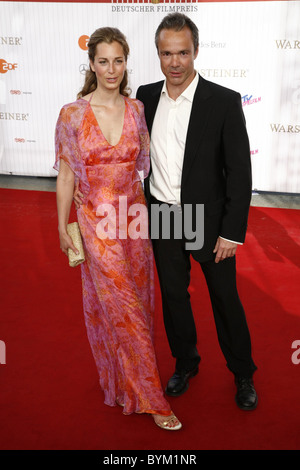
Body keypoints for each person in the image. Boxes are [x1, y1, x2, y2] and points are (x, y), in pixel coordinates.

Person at [54, 27, 182, 430]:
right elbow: (66, 176)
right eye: (103, 61)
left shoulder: (137, 109)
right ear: (92, 64)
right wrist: (62, 224)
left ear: (127, 63)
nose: (112, 69)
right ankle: (152, 398)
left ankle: (122, 385)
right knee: (123, 307)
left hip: (135, 222)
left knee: (138, 308)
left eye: (119, 60)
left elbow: (143, 166)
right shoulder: (72, 114)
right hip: (95, 224)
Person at [136, 13, 258, 410]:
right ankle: (185, 362)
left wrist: (232, 231)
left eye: (182, 53)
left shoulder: (222, 101)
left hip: (209, 221)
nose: (175, 62)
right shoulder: (146, 95)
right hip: (164, 214)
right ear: (157, 54)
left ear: (196, 52)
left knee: (225, 298)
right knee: (174, 296)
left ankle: (243, 373)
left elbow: (240, 172)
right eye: (167, 53)